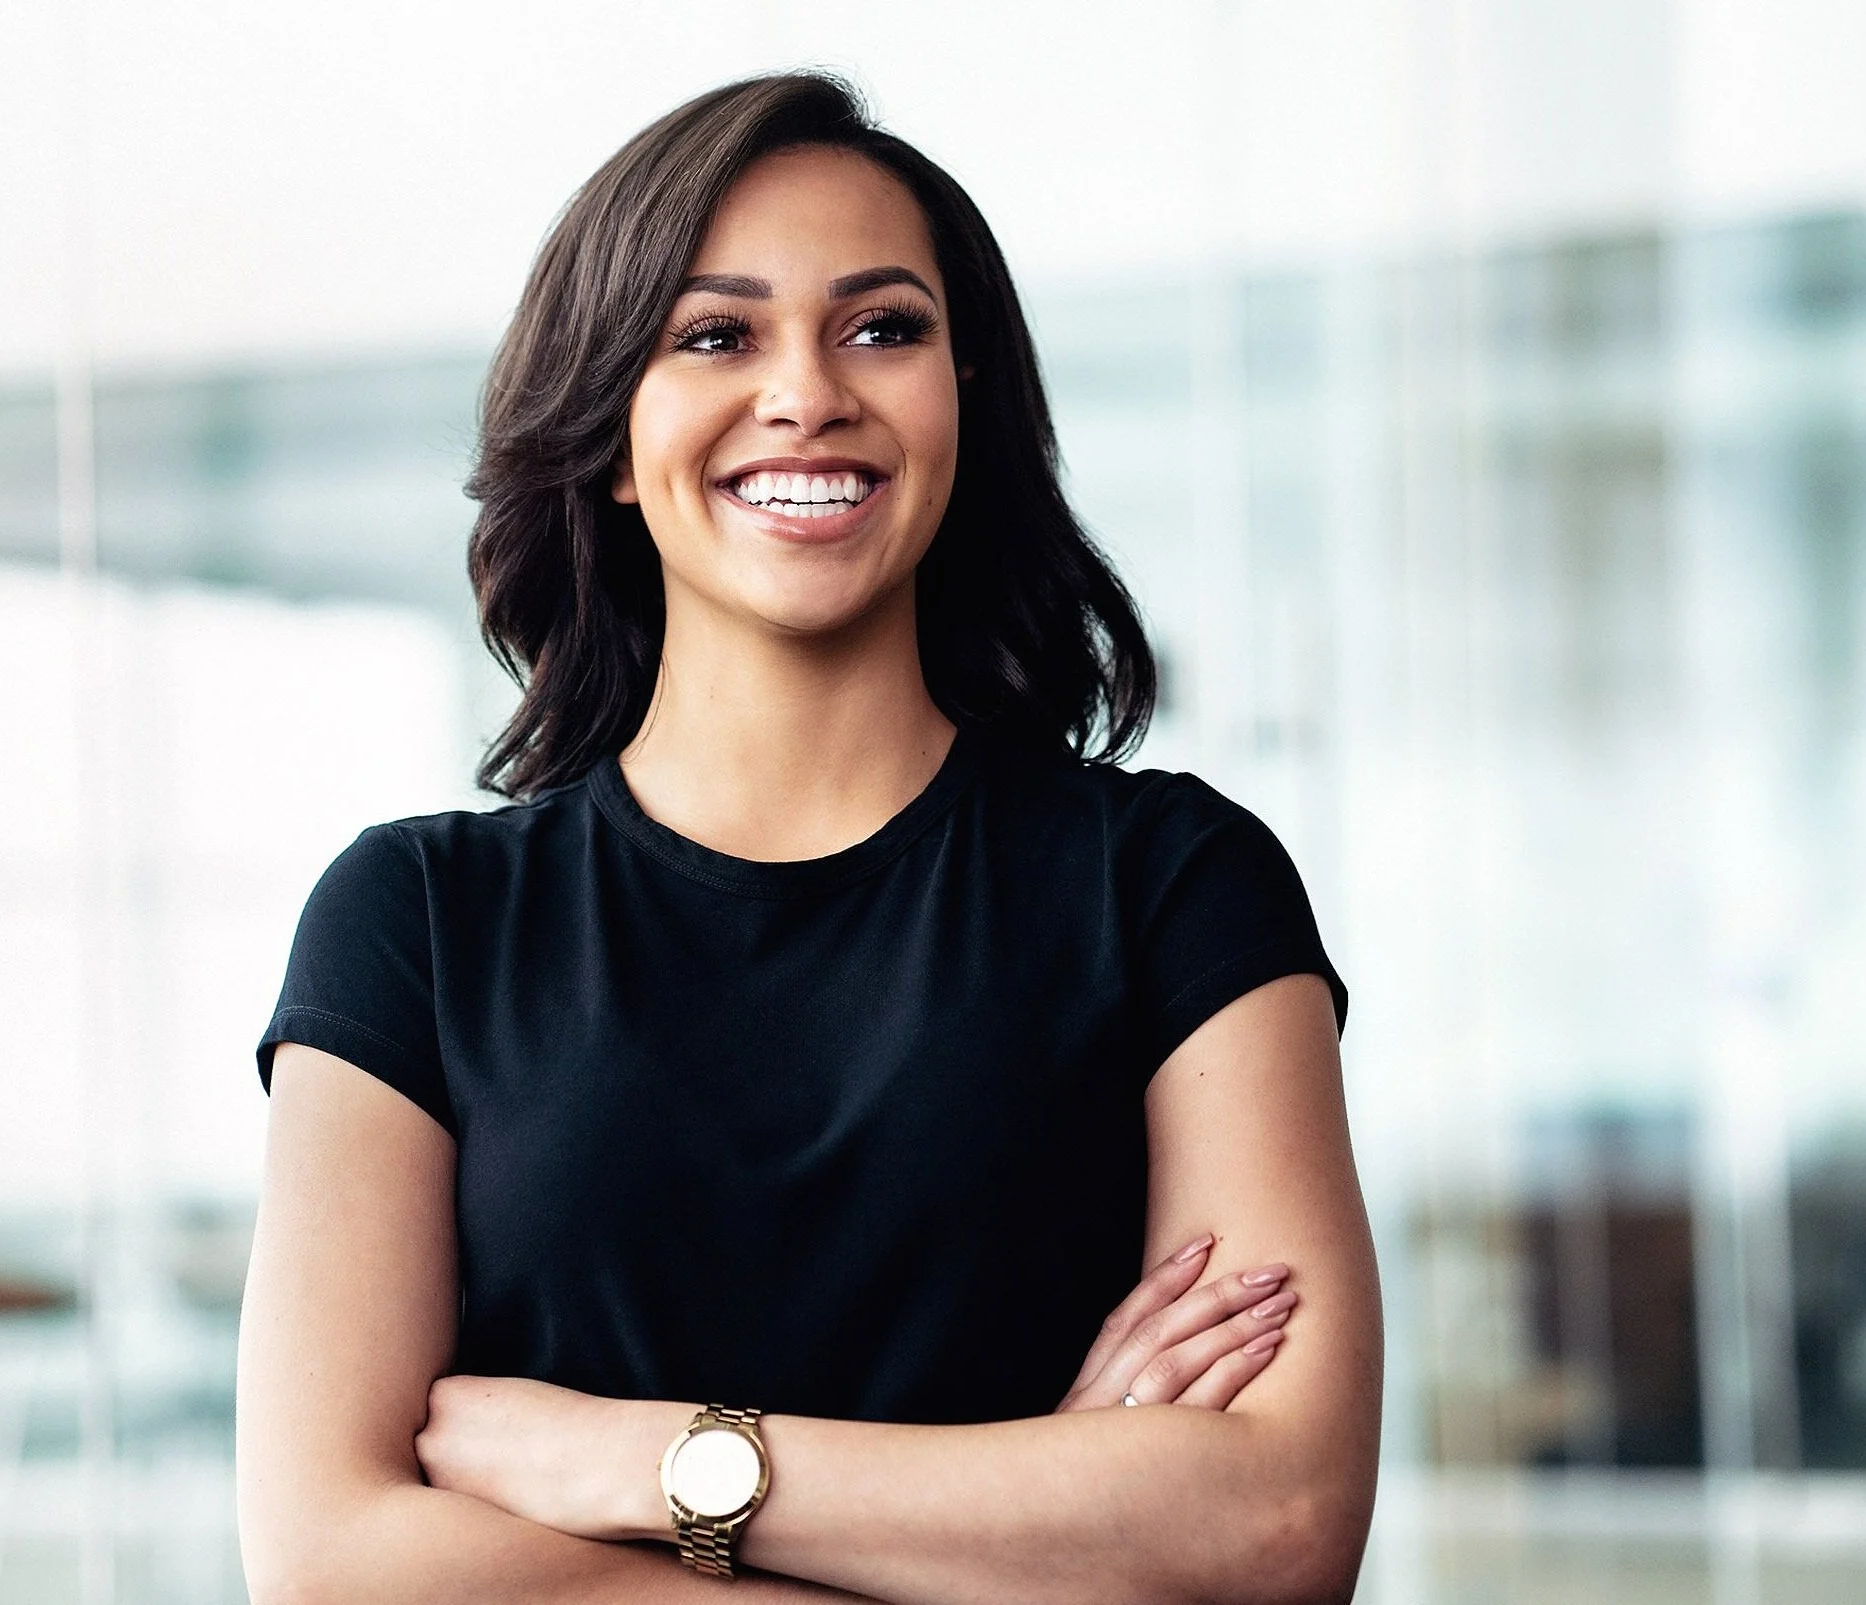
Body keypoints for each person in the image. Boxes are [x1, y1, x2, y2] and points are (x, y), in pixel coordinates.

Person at [236, 72, 1380, 1605]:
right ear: (613, 442)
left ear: (963, 397)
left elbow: (1280, 1525)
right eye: (716, 336)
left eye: (882, 327)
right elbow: (332, 1561)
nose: (807, 393)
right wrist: (1055, 1520)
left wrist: (646, 1465)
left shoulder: (1174, 888)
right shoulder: (418, 922)